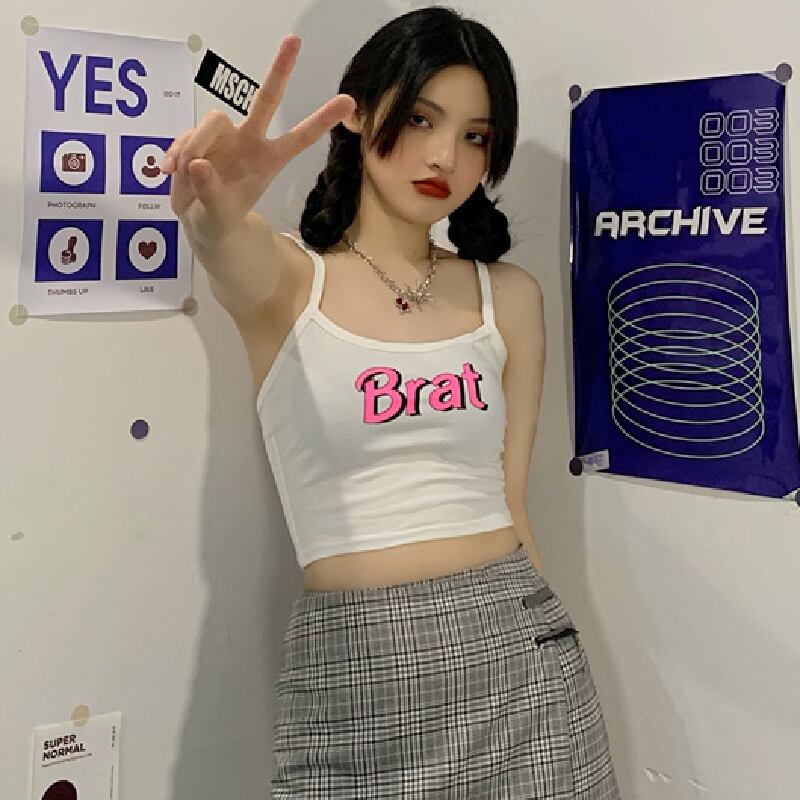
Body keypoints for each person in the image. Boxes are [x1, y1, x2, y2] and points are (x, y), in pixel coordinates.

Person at [162, 6, 621, 798]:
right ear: (360, 112)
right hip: (355, 675)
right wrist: (214, 211)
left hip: (524, 669)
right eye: (419, 118)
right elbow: (221, 239)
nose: (445, 156)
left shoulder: (508, 296)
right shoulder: (290, 283)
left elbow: (512, 500)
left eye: (476, 136)